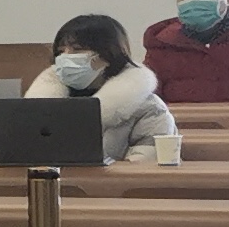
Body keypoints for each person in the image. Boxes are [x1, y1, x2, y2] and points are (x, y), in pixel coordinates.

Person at [24, 14, 178, 162]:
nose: (65, 57)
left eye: (77, 49)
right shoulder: (40, 105)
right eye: (60, 51)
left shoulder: (150, 109)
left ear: (107, 56)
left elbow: (145, 166)